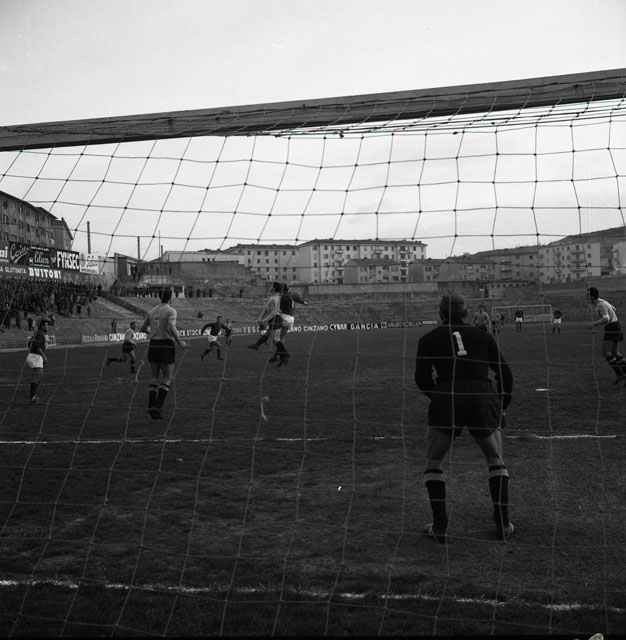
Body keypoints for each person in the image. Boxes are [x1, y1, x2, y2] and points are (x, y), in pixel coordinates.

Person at [415, 293, 514, 543]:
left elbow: (421, 377)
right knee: (495, 459)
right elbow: (504, 372)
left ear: (441, 313)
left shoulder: (428, 339)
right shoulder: (483, 336)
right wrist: (501, 405)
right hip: (482, 395)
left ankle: (440, 527)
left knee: (434, 461)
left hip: (447, 394)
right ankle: (503, 525)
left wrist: (439, 395)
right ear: (467, 314)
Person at [139, 287, 188, 420]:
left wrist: (153, 333)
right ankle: (157, 407)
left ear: (160, 297)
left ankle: (151, 406)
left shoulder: (152, 311)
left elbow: (142, 328)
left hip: (153, 344)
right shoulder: (171, 310)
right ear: (170, 297)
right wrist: (179, 342)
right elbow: (171, 326)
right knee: (167, 377)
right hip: (165, 345)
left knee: (154, 377)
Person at [587, 287, 626, 385]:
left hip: (612, 328)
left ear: (592, 296)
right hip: (616, 326)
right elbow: (613, 308)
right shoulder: (602, 302)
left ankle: (620, 374)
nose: (586, 296)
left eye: (587, 295)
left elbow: (606, 318)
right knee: (615, 352)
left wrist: (593, 324)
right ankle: (623, 373)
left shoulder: (600, 304)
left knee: (606, 352)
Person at [26, 319, 49, 403]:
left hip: (36, 356)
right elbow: (36, 344)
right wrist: (43, 355)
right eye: (46, 325)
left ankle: (34, 395)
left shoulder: (39, 333)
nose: (47, 327)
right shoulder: (40, 333)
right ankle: (32, 398)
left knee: (39, 376)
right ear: (42, 326)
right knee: (36, 376)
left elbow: (30, 343)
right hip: (35, 357)